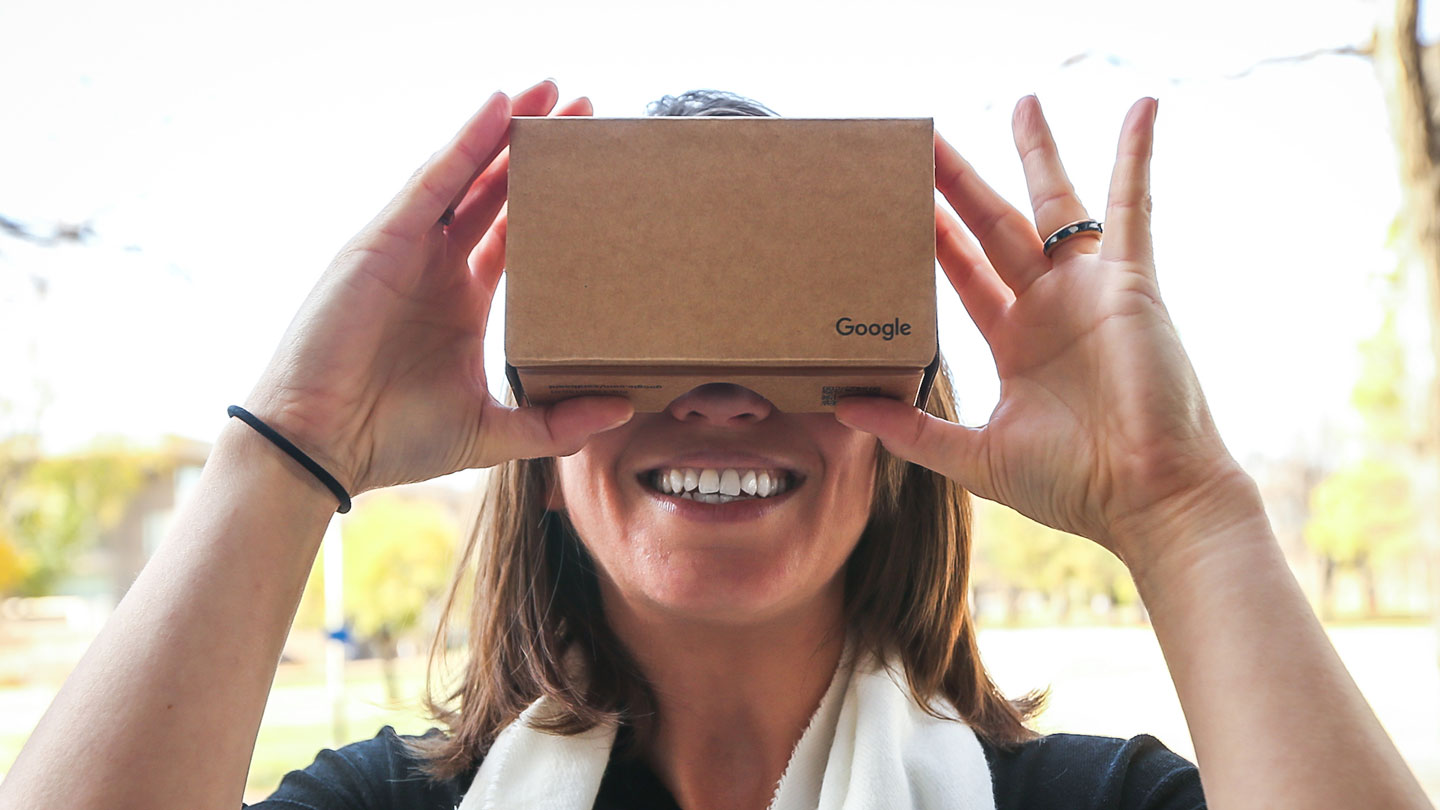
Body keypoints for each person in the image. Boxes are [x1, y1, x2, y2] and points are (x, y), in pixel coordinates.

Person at [0, 79, 1430, 810]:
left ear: (901, 439)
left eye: (791, 329)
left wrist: (1186, 512)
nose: (726, 396)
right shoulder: (391, 805)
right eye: (646, 324)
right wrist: (287, 450)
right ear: (539, 455)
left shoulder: (1083, 803)